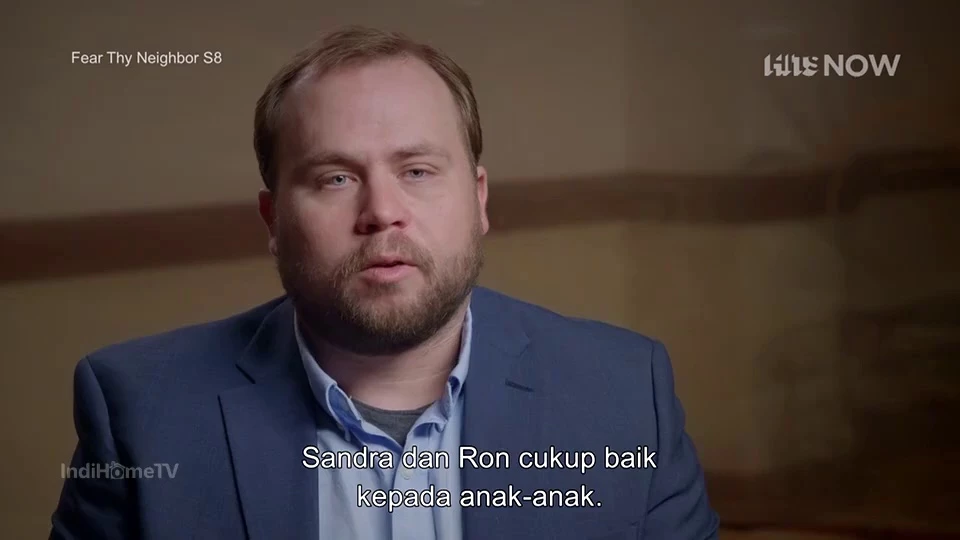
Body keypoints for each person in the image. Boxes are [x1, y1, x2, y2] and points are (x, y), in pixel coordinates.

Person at [50, 25, 719, 540]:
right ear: (273, 219)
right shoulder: (141, 412)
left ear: (479, 199)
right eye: (335, 177)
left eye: (418, 170)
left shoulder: (626, 394)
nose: (382, 211)